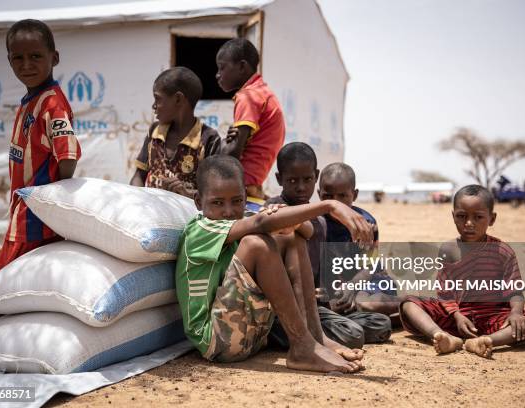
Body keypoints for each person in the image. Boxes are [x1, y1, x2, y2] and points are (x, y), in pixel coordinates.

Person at [174, 155, 377, 373]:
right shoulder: (199, 230)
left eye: (237, 201)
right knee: (256, 245)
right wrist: (330, 206)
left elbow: (307, 232)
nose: (228, 211)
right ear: (198, 202)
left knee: (290, 235)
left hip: (255, 337)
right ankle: (302, 345)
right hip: (216, 342)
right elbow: (261, 222)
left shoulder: (241, 219)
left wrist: (289, 220)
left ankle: (316, 338)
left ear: (245, 197)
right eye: (217, 203)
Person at [0, 19, 82, 323]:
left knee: (4, 280)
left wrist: (53, 203)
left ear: (54, 58)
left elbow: (67, 156)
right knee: (25, 282)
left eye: (36, 56)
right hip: (24, 210)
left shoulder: (51, 104)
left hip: (34, 213)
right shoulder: (30, 101)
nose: (26, 64)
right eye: (18, 57)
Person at [400, 185, 525, 358]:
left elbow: (515, 291)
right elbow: (445, 291)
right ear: (453, 216)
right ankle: (442, 336)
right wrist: (456, 315)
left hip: (494, 317)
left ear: (492, 219)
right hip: (455, 316)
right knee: (409, 303)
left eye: (478, 217)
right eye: (462, 216)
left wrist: (516, 313)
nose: (469, 223)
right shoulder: (448, 250)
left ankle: (487, 341)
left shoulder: (502, 251)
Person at [265, 143, 391, 349]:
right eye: (292, 180)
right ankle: (290, 335)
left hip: (315, 306)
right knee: (353, 334)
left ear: (315, 176)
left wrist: (332, 294)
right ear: (280, 179)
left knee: (380, 323)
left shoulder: (320, 221)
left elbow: (325, 272)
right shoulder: (274, 210)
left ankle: (311, 332)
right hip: (282, 308)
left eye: (306, 180)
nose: (300, 187)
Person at [318, 163, 401, 323]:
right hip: (336, 286)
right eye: (328, 196)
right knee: (333, 305)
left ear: (354, 195)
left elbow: (369, 266)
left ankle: (413, 304)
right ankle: (393, 318)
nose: (336, 203)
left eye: (343, 196)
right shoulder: (316, 223)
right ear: (319, 194)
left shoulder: (366, 224)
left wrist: (352, 286)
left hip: (368, 281)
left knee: (365, 302)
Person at [131, 67, 220, 198]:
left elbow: (215, 193)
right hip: (151, 212)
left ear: (178, 99)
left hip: (188, 216)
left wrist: (186, 193)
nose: (154, 106)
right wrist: (136, 197)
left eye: (158, 99)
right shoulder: (155, 131)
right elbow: (139, 176)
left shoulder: (208, 139)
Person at [215, 38, 285, 201]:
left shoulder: (248, 96)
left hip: (241, 184)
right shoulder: (264, 93)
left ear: (242, 66)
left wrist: (224, 145)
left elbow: (231, 154)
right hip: (253, 182)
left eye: (222, 67)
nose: (217, 75)